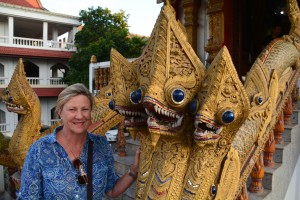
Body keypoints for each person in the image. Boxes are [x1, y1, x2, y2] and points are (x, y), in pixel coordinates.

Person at [17, 83, 140, 199]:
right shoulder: (40, 149)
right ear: (60, 112)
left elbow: (111, 190)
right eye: (72, 109)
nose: (80, 116)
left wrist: (134, 170)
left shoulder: (101, 145)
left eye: (85, 109)